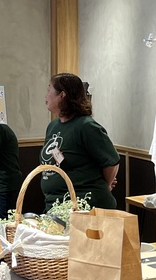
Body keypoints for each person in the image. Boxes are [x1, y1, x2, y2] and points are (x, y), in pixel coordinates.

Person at [40, 73, 120, 211]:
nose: (46, 95)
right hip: (54, 204)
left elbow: (111, 162)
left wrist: (104, 185)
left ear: (62, 95)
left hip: (83, 206)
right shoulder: (53, 126)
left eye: (49, 90)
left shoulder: (86, 126)